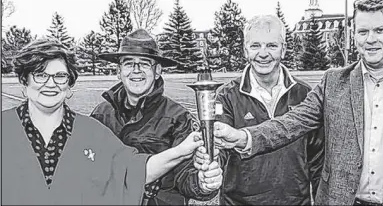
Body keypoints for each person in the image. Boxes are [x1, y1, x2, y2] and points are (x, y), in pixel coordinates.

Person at [213, 0, 383, 205]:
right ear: (354, 36)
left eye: (379, 30)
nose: (370, 39)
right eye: (362, 31)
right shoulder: (333, 82)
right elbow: (290, 123)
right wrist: (244, 136)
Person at [1, 38, 210, 205]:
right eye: (40, 75)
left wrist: (186, 155)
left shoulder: (89, 130)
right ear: (24, 80)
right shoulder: (101, 114)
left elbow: (132, 171)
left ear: (69, 83)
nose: (50, 84)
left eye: (60, 76)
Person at [193, 15, 324, 205]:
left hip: (295, 202)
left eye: (271, 45)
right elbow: (219, 149)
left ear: (284, 49)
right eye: (255, 46)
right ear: (246, 50)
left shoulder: (305, 95)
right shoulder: (226, 96)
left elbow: (318, 159)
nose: (263, 54)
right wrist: (210, 164)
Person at [90, 29, 222, 205]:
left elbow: (185, 175)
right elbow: (90, 168)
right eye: (129, 64)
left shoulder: (177, 118)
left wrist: (202, 183)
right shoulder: (101, 115)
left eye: (144, 64)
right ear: (118, 70)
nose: (136, 70)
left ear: (158, 70)